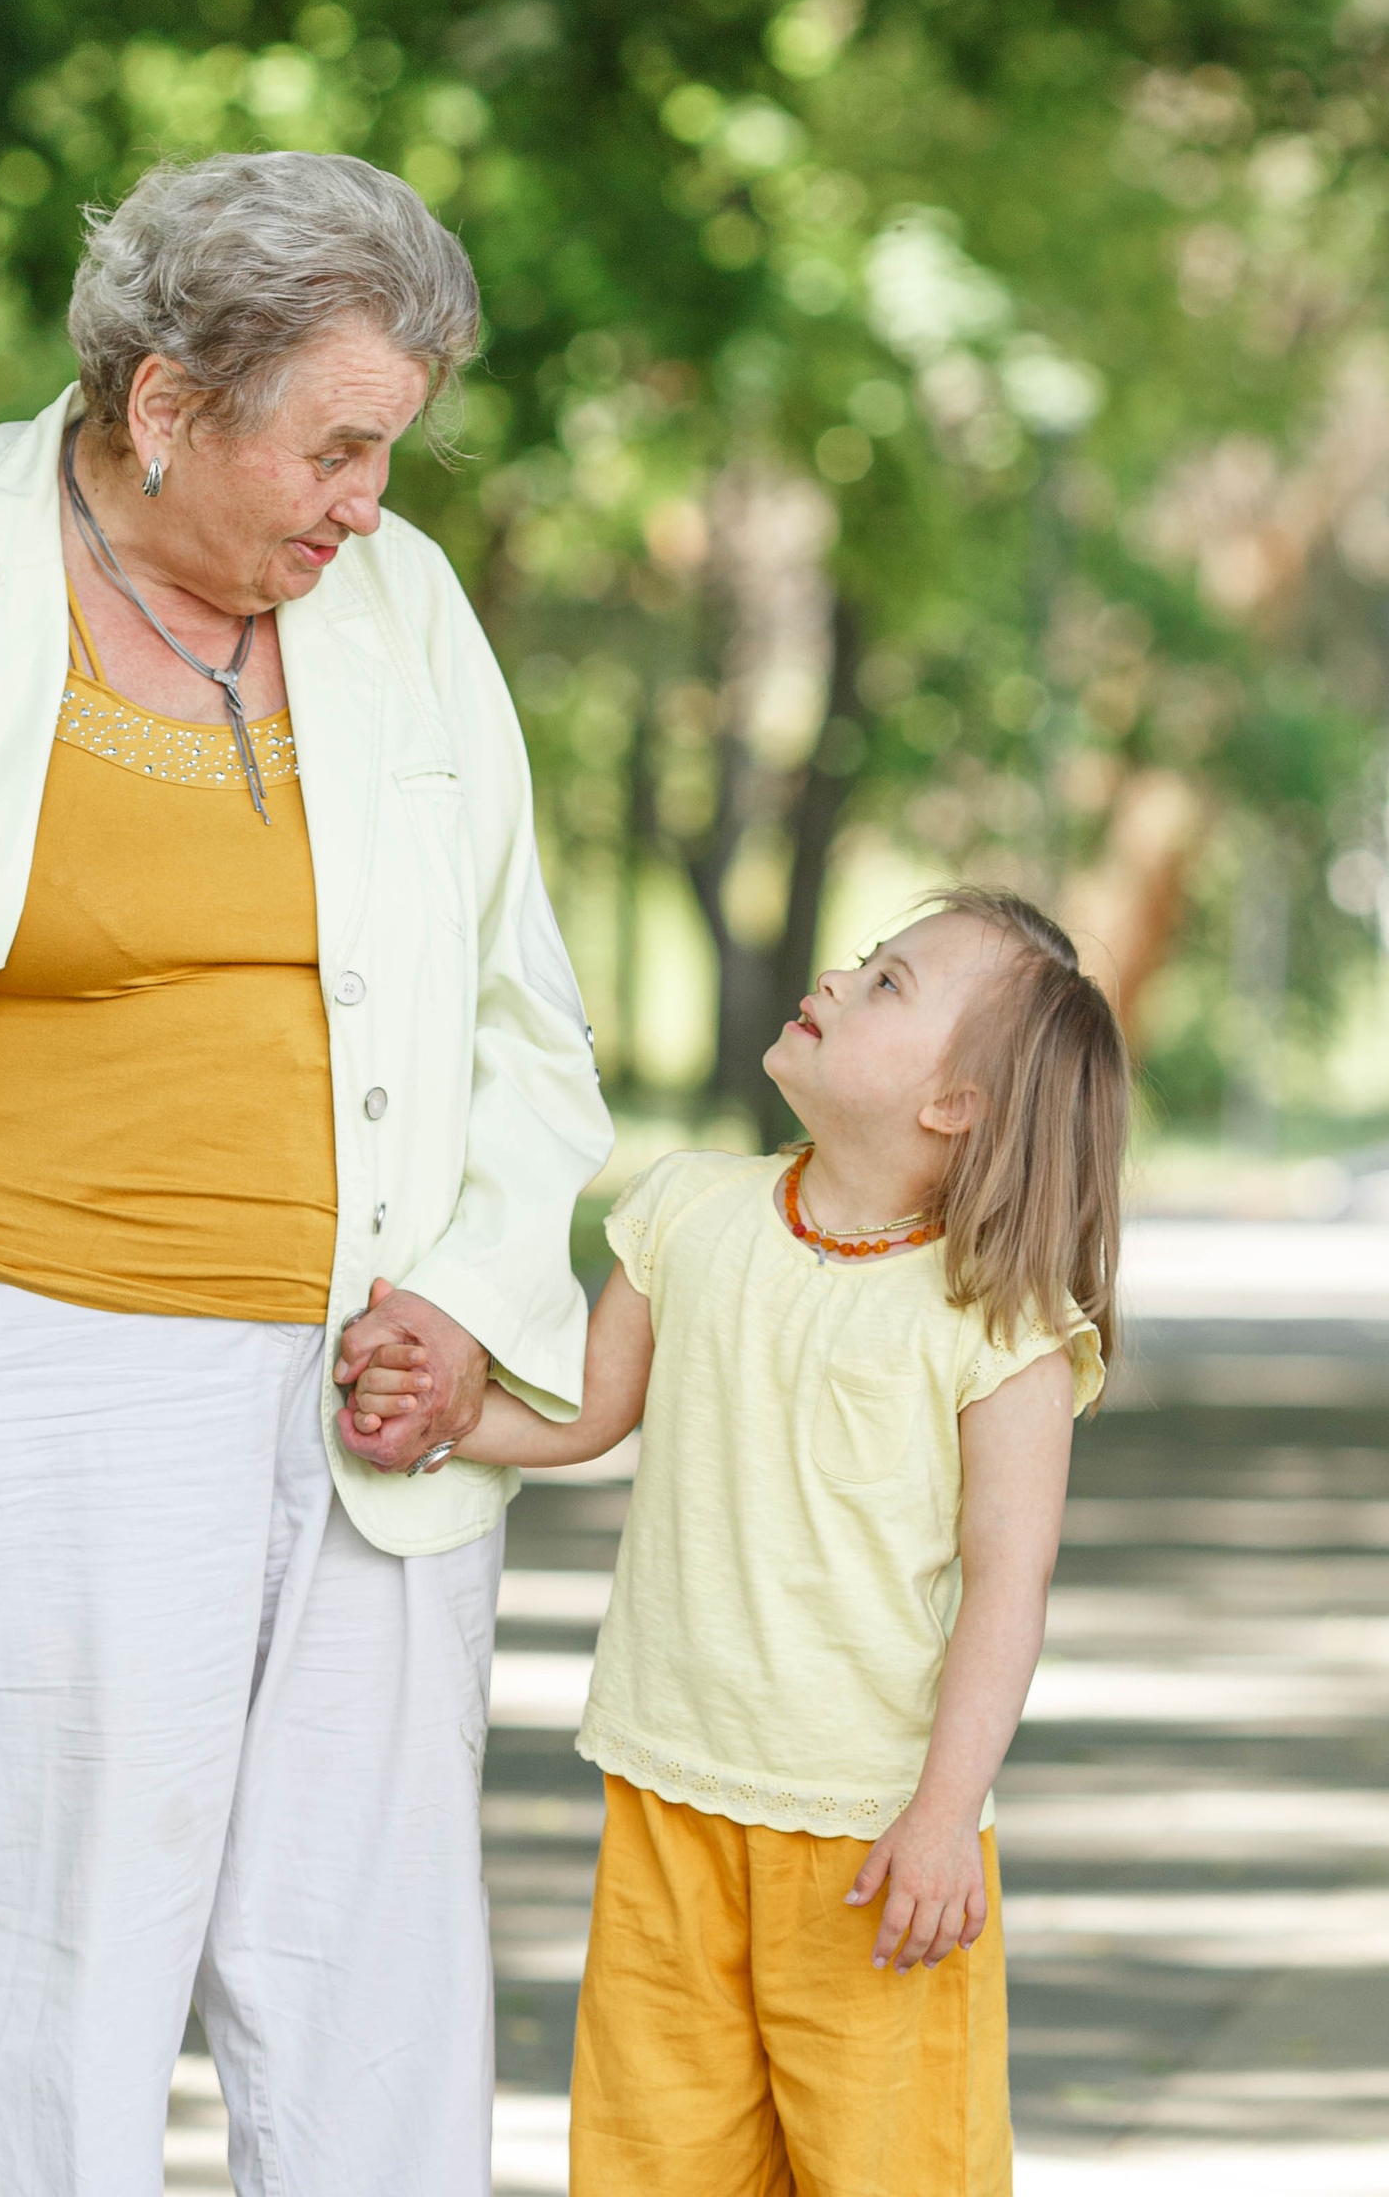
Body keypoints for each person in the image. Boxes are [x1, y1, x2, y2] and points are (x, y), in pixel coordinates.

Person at [0, 150, 612, 2197]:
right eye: (333, 447)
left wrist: (472, 1296)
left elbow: (526, 1015)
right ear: (164, 403)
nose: (366, 502)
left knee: (371, 1995)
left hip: (364, 1383)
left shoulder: (401, 606)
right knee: (26, 1996)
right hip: (1, 1362)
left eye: (388, 450)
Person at [354, 887, 1127, 2197]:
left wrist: (945, 1816)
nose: (838, 977)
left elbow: (1012, 1582)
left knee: (894, 2171)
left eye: (888, 984)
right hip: (670, 1793)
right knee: (657, 2160)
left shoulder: (1002, 1325)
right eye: (866, 960)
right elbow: (590, 1412)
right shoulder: (690, 1211)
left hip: (874, 1839)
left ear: (956, 1106)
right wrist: (449, 1418)